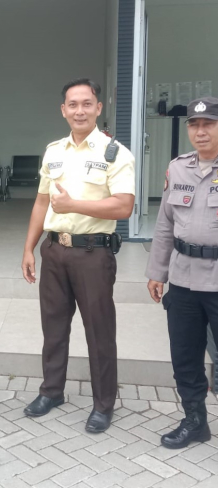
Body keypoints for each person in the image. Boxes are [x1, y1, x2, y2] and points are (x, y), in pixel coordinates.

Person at [21, 79, 135, 433]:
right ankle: (51, 391)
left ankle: (103, 404)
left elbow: (124, 206)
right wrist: (28, 247)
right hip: (55, 251)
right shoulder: (54, 151)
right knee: (53, 327)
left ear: (98, 108)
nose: (80, 111)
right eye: (73, 104)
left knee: (99, 331)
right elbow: (42, 201)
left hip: (93, 254)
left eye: (87, 104)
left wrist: (74, 205)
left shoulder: (115, 153)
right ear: (63, 110)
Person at [146, 96, 218, 449]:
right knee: (185, 357)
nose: (200, 131)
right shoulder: (177, 168)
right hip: (183, 279)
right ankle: (195, 422)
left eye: (209, 124)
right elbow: (164, 225)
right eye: (194, 125)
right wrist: (157, 271)